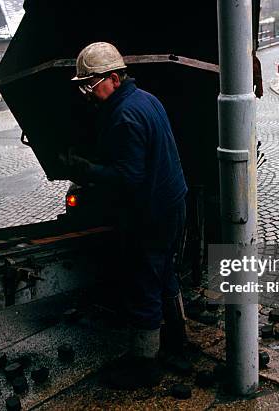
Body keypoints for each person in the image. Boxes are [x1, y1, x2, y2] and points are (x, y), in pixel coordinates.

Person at [60, 42, 188, 389]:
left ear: (114, 78)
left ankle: (144, 367)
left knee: (143, 283)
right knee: (163, 272)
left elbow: (128, 177)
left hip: (152, 214)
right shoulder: (146, 98)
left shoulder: (124, 116)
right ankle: (178, 341)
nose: (88, 94)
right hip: (173, 203)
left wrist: (87, 170)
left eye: (91, 85)